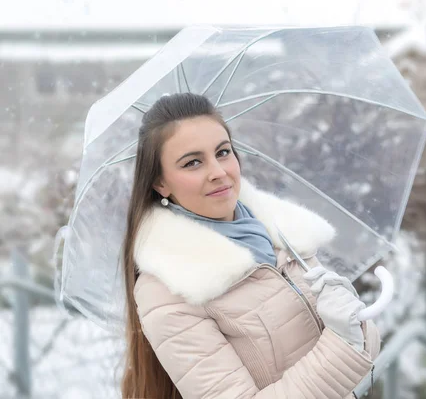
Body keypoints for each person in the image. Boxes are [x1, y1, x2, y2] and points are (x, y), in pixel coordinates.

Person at [120, 92, 380, 399]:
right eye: (192, 162)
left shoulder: (282, 234)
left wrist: (353, 321)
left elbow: (366, 354)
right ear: (160, 183)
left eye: (223, 152)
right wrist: (343, 342)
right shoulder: (168, 290)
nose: (218, 172)